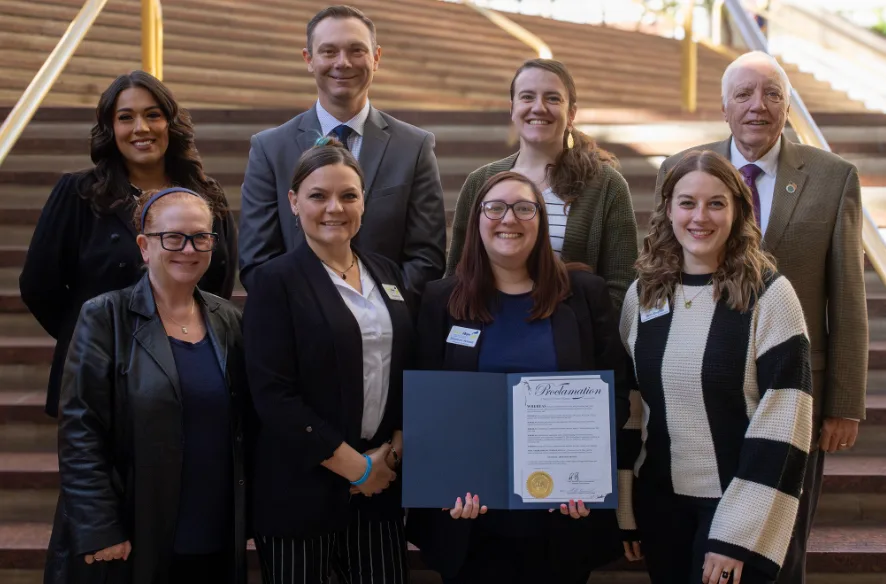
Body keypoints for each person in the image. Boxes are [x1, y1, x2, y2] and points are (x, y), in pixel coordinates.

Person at [654, 50, 867, 584]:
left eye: (772, 94)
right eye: (744, 94)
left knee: (780, 542)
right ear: (724, 107)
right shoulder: (682, 169)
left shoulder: (832, 176)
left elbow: (847, 294)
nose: (758, 106)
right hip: (702, 392)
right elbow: (664, 264)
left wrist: (843, 402)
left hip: (795, 394)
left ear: (788, 107)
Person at [409, 171, 630, 584]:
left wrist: (588, 474)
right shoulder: (441, 299)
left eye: (523, 208)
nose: (508, 218)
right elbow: (428, 406)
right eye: (495, 207)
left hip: (560, 518)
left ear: (541, 222)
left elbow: (612, 396)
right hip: (471, 520)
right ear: (477, 220)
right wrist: (445, 481)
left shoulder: (583, 293)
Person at [619, 150, 813, 584]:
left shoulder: (771, 296)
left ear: (739, 210)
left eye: (716, 203)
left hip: (734, 505)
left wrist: (735, 536)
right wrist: (627, 506)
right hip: (661, 505)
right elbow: (632, 408)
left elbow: (785, 422)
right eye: (687, 202)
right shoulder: (643, 296)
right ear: (668, 209)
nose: (699, 217)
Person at [54, 187, 249, 584]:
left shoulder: (228, 318)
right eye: (173, 237)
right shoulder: (104, 316)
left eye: (201, 237)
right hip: (133, 531)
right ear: (145, 246)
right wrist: (100, 527)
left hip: (214, 528)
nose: (189, 249)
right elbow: (81, 430)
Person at [243, 138, 414, 584]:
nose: (334, 207)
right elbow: (273, 396)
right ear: (294, 202)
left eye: (348, 195)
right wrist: (357, 469)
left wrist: (392, 452)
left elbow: (405, 368)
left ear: (364, 202)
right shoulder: (273, 282)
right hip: (301, 489)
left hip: (381, 486)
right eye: (318, 195)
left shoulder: (388, 274)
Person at [19, 70, 237, 420]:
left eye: (153, 115)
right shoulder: (77, 193)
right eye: (126, 117)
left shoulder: (205, 194)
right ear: (110, 128)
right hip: (99, 371)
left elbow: (218, 282)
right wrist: (92, 338)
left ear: (170, 123)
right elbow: (38, 285)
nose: (141, 128)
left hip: (184, 365)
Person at [238, 4, 445, 294]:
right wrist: (319, 311)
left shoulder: (414, 147)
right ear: (309, 59)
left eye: (356, 50)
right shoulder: (270, 149)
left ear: (376, 58)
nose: (343, 62)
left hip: (390, 326)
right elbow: (258, 259)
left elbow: (426, 258)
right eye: (329, 51)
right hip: (300, 325)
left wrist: (378, 310)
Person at [446, 58, 638, 312]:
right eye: (527, 97)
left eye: (553, 98)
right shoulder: (479, 182)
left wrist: (578, 336)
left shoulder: (607, 185)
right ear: (512, 108)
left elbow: (621, 287)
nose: (539, 107)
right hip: (489, 333)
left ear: (571, 114)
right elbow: (457, 274)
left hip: (569, 343)